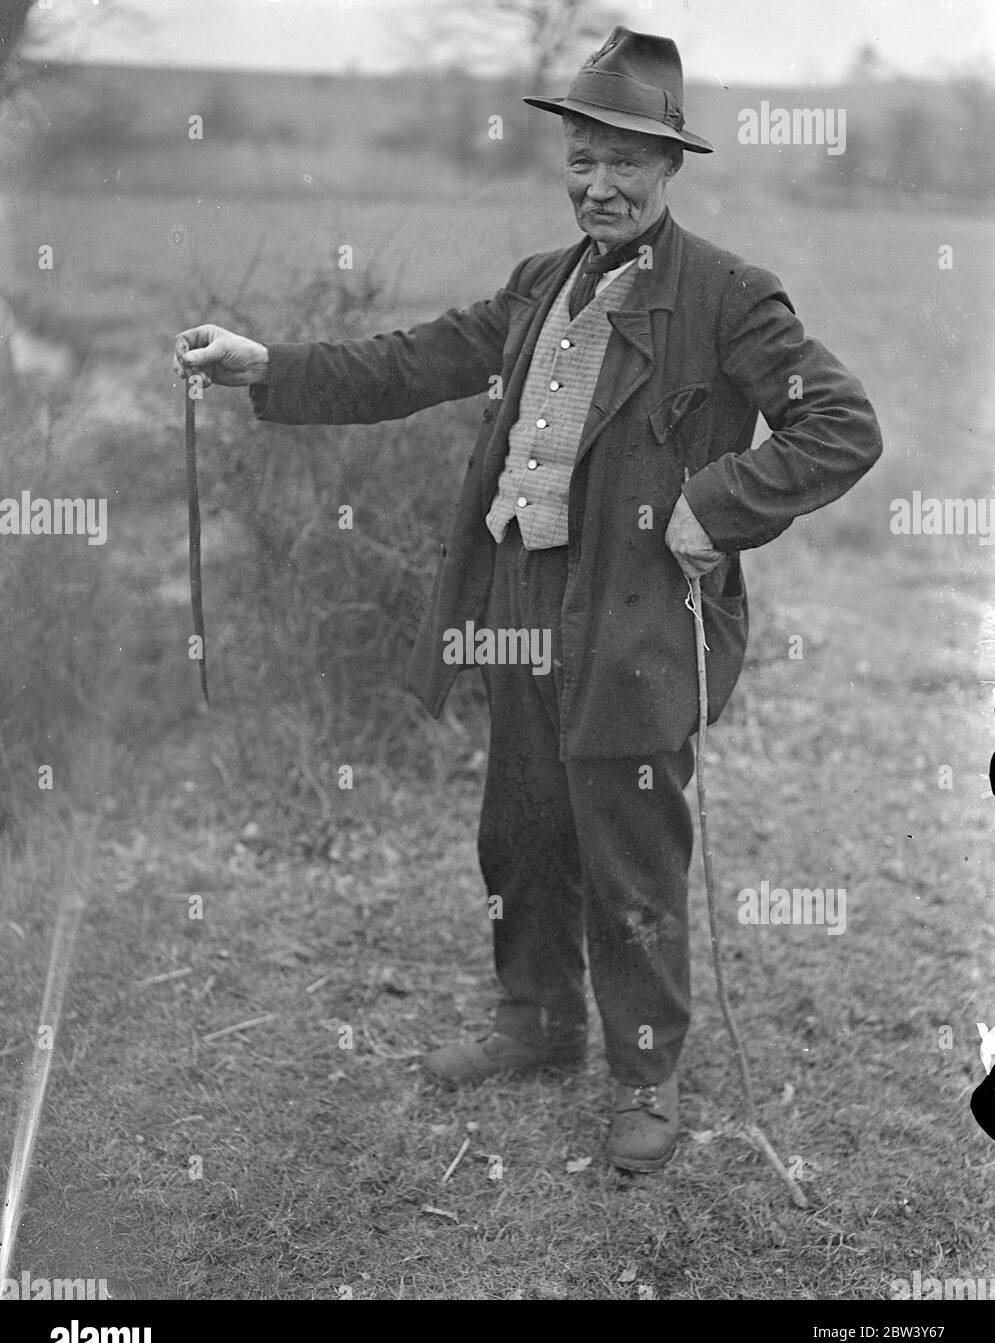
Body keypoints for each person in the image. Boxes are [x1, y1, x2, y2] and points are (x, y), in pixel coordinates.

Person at [174, 28, 882, 1173]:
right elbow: (411, 362)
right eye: (580, 161)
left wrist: (713, 505)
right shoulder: (537, 286)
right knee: (520, 822)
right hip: (520, 586)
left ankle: (644, 1075)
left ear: (669, 170)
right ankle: (536, 1021)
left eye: (624, 164)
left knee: (628, 843)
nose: (597, 184)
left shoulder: (731, 298)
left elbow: (840, 425)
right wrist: (268, 366)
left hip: (637, 611)